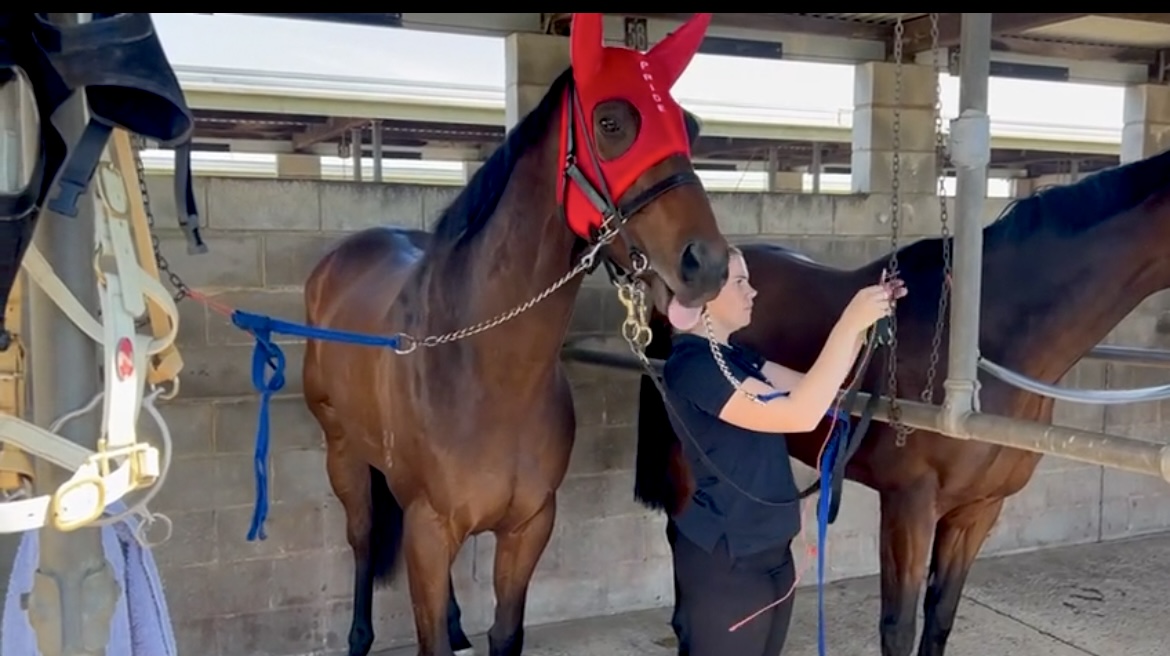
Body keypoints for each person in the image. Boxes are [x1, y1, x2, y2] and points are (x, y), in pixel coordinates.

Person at [660, 246, 906, 656]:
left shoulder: (737, 357)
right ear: (704, 297)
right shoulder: (692, 368)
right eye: (740, 282)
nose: (752, 291)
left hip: (772, 546)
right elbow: (799, 414)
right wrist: (849, 322)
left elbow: (818, 388)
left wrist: (865, 324)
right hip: (729, 560)